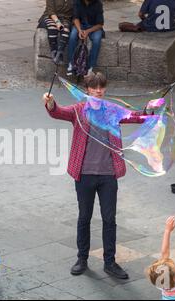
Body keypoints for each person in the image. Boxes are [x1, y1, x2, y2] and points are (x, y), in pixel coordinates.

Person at [42, 72, 145, 279]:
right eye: (94, 87)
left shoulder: (112, 110)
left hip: (108, 174)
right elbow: (58, 112)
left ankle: (110, 263)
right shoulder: (80, 110)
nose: (98, 90)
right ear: (87, 89)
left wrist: (151, 111)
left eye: (101, 87)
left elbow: (135, 116)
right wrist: (50, 103)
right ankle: (82, 259)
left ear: (104, 88)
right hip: (85, 173)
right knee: (84, 217)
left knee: (109, 219)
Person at [67, 0, 104, 76]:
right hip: (80, 25)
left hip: (94, 27)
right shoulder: (77, 2)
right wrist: (80, 30)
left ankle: (90, 67)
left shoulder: (98, 4)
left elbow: (100, 24)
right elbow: (75, 18)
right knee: (72, 36)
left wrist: (87, 31)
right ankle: (71, 63)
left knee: (97, 40)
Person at [38, 0, 74, 65]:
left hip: (65, 19)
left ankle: (60, 53)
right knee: (52, 27)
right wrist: (57, 22)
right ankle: (53, 51)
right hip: (50, 17)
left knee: (65, 30)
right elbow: (50, 11)